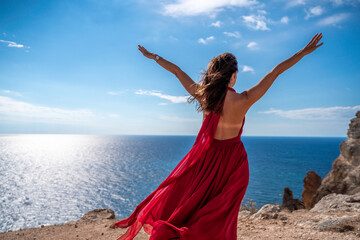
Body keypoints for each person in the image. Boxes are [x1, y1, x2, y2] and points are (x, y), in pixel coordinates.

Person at [112, 33, 323, 240]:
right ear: (233, 74)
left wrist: (154, 57)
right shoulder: (244, 99)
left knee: (196, 205)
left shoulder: (204, 96)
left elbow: (177, 71)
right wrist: (302, 53)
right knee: (222, 212)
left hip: (207, 161)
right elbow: (276, 72)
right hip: (234, 163)